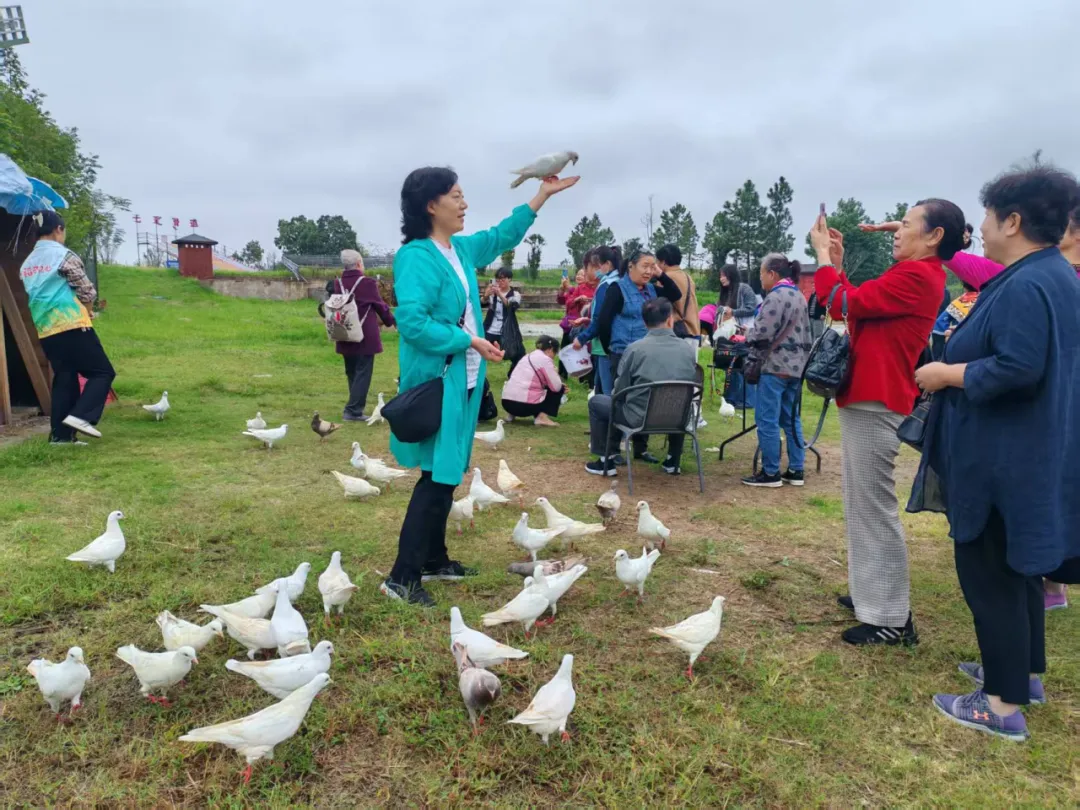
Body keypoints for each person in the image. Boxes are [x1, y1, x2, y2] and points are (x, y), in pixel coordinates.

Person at [910, 166, 1080, 741]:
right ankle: (1020, 676)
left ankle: (1001, 706)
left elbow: (1018, 367)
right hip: (1027, 451)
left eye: (985, 217)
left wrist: (946, 373)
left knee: (990, 572)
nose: (979, 229)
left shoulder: (1029, 283)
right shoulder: (1049, 274)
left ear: (1013, 221)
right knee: (1017, 568)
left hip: (1005, 455)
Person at [383, 165, 578, 606]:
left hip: (465, 379)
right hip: (437, 380)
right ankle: (401, 577)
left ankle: (434, 559)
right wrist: (468, 339)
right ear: (430, 205)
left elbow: (501, 235)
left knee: (446, 472)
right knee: (436, 478)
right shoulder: (416, 256)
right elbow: (412, 323)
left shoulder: (459, 249)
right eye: (455, 196)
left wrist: (542, 196)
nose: (464, 203)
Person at [811, 197, 964, 647]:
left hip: (877, 398)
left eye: (906, 225)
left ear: (934, 236)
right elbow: (851, 307)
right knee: (861, 503)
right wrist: (837, 265)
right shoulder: (915, 273)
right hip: (871, 396)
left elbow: (841, 302)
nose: (896, 232)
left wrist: (823, 259)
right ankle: (871, 595)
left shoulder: (917, 275)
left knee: (872, 506)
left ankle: (891, 617)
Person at [18, 210, 115, 444]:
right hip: (71, 322)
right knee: (102, 372)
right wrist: (88, 310)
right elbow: (86, 290)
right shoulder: (63, 255)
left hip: (46, 329)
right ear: (58, 229)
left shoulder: (27, 263)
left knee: (65, 377)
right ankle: (81, 417)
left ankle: (60, 437)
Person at [585, 298, 697, 476]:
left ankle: (606, 461)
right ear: (670, 319)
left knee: (599, 402)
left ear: (644, 323)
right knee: (679, 401)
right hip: (679, 419)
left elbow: (619, 391)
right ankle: (673, 460)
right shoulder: (688, 349)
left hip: (639, 419)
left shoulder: (635, 349)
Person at [741, 254, 812, 488]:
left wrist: (746, 334)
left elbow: (762, 332)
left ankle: (770, 472)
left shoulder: (775, 296)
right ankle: (796, 470)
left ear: (772, 274)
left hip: (775, 365)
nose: (760, 278)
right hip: (797, 367)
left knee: (767, 419)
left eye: (761, 273)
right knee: (791, 420)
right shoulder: (799, 295)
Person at [321, 249, 395, 422]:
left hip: (344, 331)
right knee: (363, 372)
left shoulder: (337, 283)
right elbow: (380, 305)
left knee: (352, 371)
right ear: (359, 263)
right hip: (364, 334)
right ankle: (353, 410)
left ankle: (354, 406)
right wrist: (391, 321)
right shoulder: (367, 283)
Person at [592, 248, 682, 380]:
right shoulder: (617, 289)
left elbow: (675, 295)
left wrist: (660, 275)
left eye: (652, 267)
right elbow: (604, 322)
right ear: (631, 266)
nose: (649, 271)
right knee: (624, 391)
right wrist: (610, 350)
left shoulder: (651, 289)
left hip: (649, 354)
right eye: (645, 266)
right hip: (623, 355)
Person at [573, 245, 622, 395]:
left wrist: (582, 338)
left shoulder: (607, 285)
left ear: (606, 265)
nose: (591, 271)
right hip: (610, 344)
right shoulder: (618, 281)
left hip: (604, 346)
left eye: (595, 266)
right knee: (601, 389)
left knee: (606, 392)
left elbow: (601, 319)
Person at [717, 264, 759, 407]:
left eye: (723, 275)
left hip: (745, 333)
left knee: (745, 366)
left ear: (731, 275)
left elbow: (751, 308)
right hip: (730, 335)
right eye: (720, 276)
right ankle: (731, 399)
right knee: (731, 366)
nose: (721, 278)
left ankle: (748, 400)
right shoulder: (725, 292)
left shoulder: (744, 289)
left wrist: (733, 312)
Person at [501, 335, 567, 426]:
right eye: (555, 353)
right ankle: (542, 418)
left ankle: (511, 415)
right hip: (524, 406)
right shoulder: (546, 360)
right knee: (560, 388)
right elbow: (556, 387)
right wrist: (556, 374)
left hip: (506, 403)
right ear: (550, 349)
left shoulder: (526, 357)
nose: (553, 357)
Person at [655, 244, 700, 351]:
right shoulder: (688, 277)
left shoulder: (666, 278)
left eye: (657, 261)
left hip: (678, 332)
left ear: (663, 262)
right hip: (693, 331)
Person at [482, 268, 524, 373]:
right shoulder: (492, 293)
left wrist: (500, 294)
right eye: (498, 279)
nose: (500, 282)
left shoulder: (515, 294)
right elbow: (481, 304)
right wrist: (486, 295)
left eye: (503, 279)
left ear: (509, 279)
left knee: (519, 354)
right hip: (490, 329)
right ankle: (478, 377)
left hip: (508, 330)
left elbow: (512, 307)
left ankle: (513, 375)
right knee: (478, 352)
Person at [930, 281, 977, 360]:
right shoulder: (987, 299)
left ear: (965, 287)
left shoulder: (960, 301)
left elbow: (940, 323)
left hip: (957, 342)